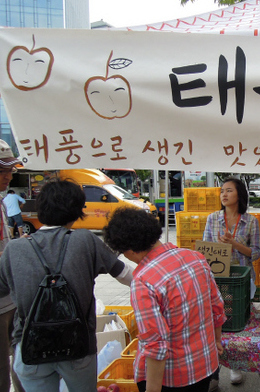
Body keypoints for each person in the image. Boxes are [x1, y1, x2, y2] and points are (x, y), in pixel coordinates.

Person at [0, 179, 134, 392]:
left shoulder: (14, 250)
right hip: (78, 348)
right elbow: (125, 274)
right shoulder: (85, 241)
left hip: (30, 348)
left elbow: (3, 291)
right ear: (77, 210)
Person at [103, 207, 227, 392]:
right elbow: (217, 306)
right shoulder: (196, 258)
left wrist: (152, 389)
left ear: (130, 248)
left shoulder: (144, 281)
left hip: (173, 377)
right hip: (205, 364)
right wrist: (217, 340)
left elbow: (156, 345)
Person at [203, 177, 260, 390]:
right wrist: (216, 247)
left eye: (229, 191)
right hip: (218, 278)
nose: (224, 195)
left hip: (242, 281)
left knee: (239, 324)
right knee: (217, 323)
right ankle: (213, 371)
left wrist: (234, 243)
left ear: (240, 195)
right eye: (222, 191)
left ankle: (237, 366)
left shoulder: (251, 221)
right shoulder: (212, 219)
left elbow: (256, 253)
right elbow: (205, 249)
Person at [0, 139, 25, 392]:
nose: (8, 176)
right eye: (2, 170)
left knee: (20, 362)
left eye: (9, 170)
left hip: (10, 297)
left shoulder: (2, 202)